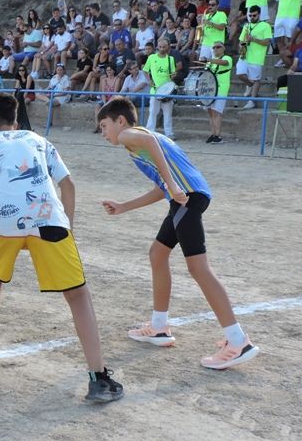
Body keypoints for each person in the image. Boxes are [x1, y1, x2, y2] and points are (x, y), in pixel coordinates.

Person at [0, 93, 124, 402]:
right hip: (49, 219)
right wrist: (68, 226)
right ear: (15, 123)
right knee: (77, 294)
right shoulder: (38, 140)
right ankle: (98, 378)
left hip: (5, 224)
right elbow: (68, 184)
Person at [96, 96, 259, 369]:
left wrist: (172, 185)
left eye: (103, 126)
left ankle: (237, 340)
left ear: (120, 121)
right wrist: (125, 206)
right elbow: (162, 186)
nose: (103, 134)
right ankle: (159, 327)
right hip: (186, 197)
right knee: (157, 254)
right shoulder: (143, 139)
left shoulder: (130, 136)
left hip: (187, 197)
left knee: (199, 269)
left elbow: (164, 173)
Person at [236, 5, 272, 109]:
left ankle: (252, 101)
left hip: (257, 57)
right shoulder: (246, 26)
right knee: (239, 74)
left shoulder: (265, 26)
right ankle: (249, 85)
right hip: (245, 55)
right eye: (250, 15)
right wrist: (242, 47)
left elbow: (267, 42)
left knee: (256, 79)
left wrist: (253, 39)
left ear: (259, 14)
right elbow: (241, 41)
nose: (252, 17)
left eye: (254, 15)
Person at [143, 38, 181, 138]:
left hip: (167, 90)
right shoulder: (151, 57)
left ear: (168, 47)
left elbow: (172, 73)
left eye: (164, 47)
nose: (162, 49)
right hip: (155, 89)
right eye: (160, 47)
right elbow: (145, 71)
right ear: (157, 47)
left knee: (168, 113)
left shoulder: (170, 59)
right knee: (153, 112)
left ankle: (169, 133)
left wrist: (173, 75)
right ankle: (150, 132)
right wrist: (149, 80)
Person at [203, 42, 233, 143]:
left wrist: (209, 60)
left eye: (218, 47)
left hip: (221, 88)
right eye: (214, 47)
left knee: (217, 112)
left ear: (223, 48)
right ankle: (213, 133)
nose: (216, 49)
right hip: (211, 88)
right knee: (210, 112)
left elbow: (224, 63)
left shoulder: (228, 58)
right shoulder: (210, 62)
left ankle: (218, 135)